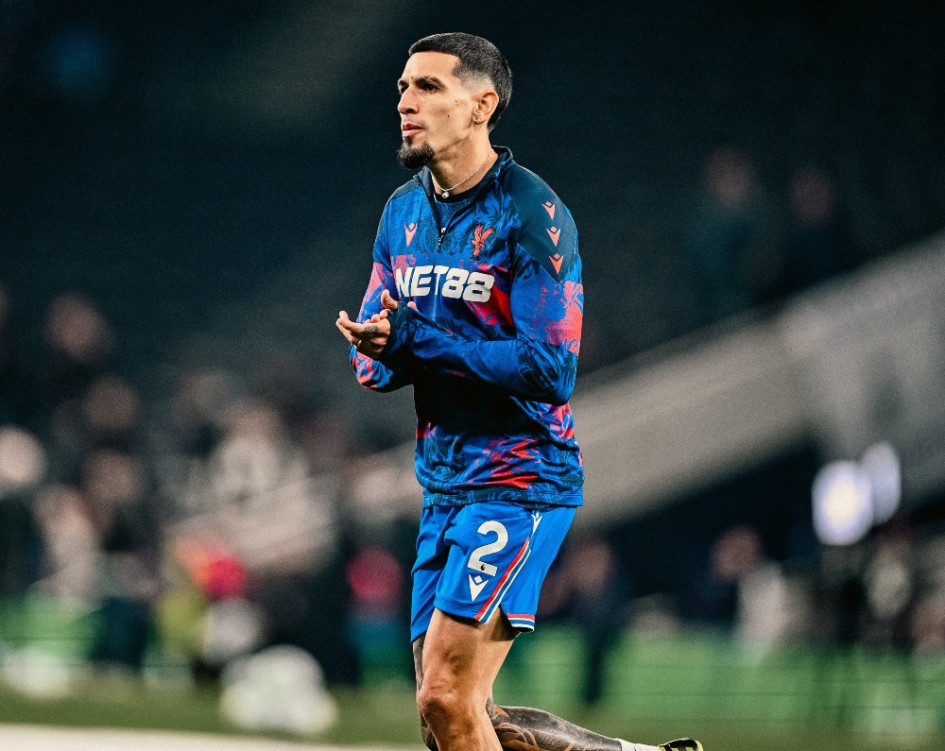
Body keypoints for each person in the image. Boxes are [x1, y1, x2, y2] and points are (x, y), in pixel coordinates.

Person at [336, 32, 702, 751]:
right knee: (450, 715)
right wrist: (378, 350)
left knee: (446, 694)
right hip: (442, 484)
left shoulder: (531, 213)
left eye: (428, 88)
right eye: (402, 88)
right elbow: (381, 357)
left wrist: (414, 343)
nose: (406, 102)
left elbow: (548, 367)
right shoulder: (400, 214)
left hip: (519, 478)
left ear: (481, 105)